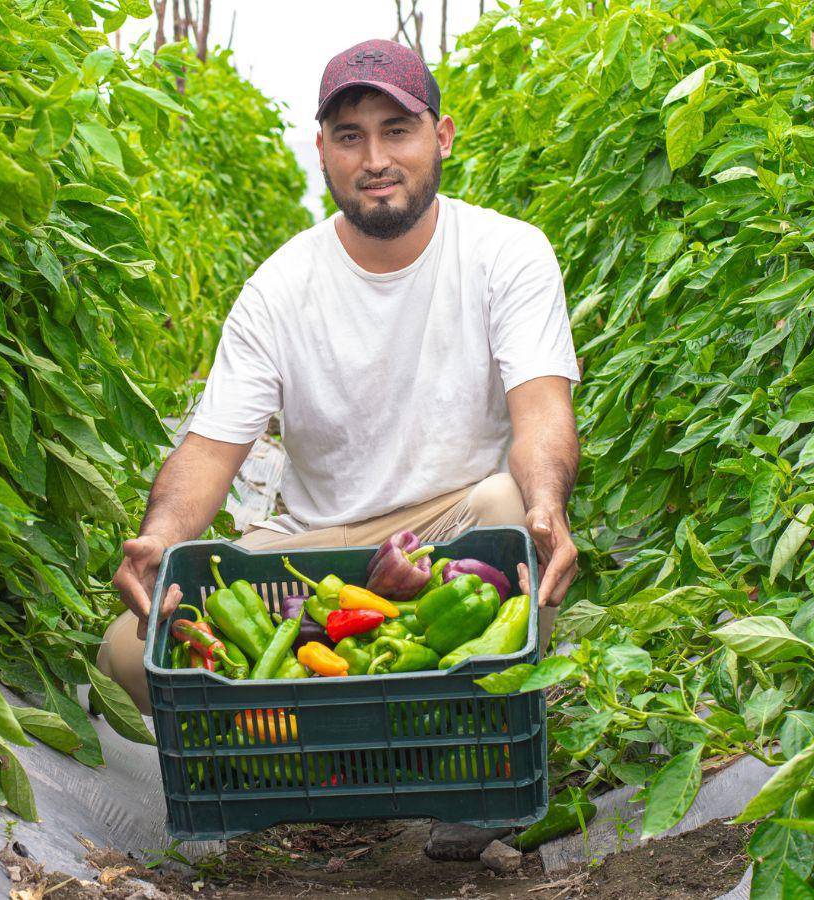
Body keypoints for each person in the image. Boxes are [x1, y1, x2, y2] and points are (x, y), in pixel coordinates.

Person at [97, 40, 580, 853]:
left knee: (507, 512)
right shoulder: (282, 288)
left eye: (399, 129)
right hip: (313, 553)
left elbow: (540, 412)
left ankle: (467, 776)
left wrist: (546, 506)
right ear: (321, 149)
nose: (376, 158)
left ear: (444, 135)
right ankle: (332, 762)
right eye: (350, 136)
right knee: (125, 650)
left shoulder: (506, 253)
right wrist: (162, 537)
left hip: (447, 531)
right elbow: (210, 451)